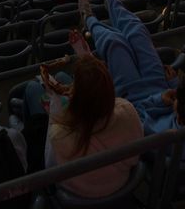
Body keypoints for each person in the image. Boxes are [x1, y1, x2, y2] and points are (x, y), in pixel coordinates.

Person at [77, 0, 185, 165]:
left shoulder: (163, 136)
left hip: (134, 98)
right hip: (159, 84)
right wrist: (173, 83)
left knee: (114, 42)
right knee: (138, 31)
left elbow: (134, 116)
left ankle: (88, 19)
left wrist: (160, 99)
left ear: (180, 120)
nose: (177, 95)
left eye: (178, 100)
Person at [25, 54, 143, 199]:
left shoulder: (59, 134)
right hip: (120, 183)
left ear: (76, 99)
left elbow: (49, 169)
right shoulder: (128, 110)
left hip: (78, 195)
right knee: (62, 75)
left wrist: (55, 109)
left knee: (32, 88)